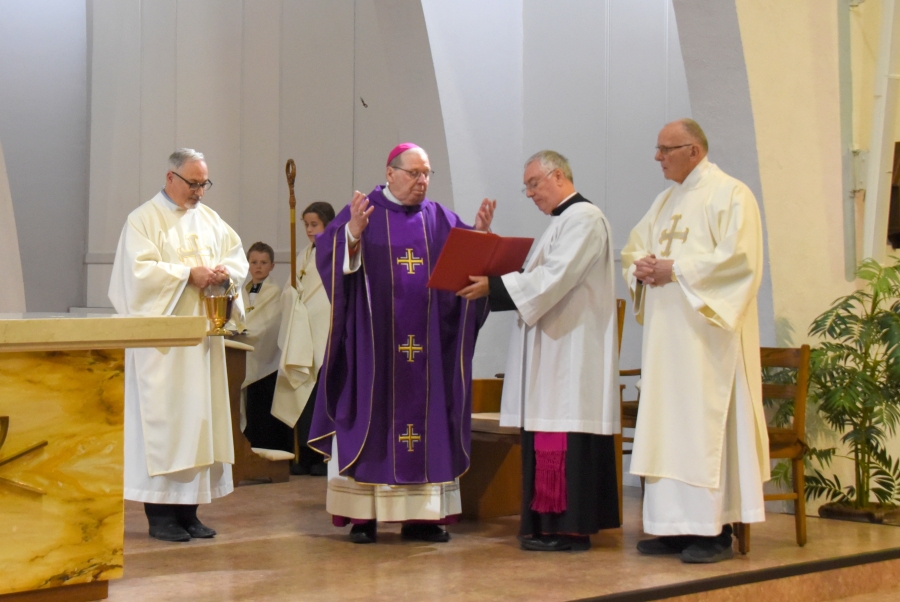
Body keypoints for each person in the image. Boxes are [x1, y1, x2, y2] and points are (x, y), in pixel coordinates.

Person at [308, 143, 495, 544]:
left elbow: (464, 270)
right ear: (390, 173)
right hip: (373, 350)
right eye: (414, 173)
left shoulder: (440, 218)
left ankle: (422, 519)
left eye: (426, 174)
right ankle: (364, 518)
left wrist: (478, 238)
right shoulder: (364, 211)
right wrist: (353, 236)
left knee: (424, 425)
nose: (422, 181)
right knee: (369, 419)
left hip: (426, 351)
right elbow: (330, 255)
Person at [621, 119, 769, 563]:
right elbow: (634, 249)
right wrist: (640, 269)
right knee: (668, 428)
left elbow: (740, 261)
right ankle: (671, 528)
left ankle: (713, 531)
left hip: (708, 343)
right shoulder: (665, 201)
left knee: (701, 428)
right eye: (658, 148)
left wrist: (676, 269)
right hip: (668, 344)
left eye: (666, 149)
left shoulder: (732, 194)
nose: (657, 157)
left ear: (695, 150)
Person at [458, 150, 621, 552]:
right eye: (526, 186)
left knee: (563, 432)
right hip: (552, 348)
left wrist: (494, 287)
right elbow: (535, 277)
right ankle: (547, 524)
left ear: (560, 175)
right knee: (548, 432)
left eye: (534, 183)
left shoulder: (585, 219)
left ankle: (569, 529)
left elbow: (554, 278)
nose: (529, 193)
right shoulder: (559, 224)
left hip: (570, 351)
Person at [109, 148, 248, 542]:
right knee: (167, 426)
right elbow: (135, 277)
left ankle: (189, 512)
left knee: (200, 425)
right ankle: (161, 517)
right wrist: (188, 274)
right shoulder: (143, 220)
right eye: (193, 183)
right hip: (163, 349)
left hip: (202, 346)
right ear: (171, 178)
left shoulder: (211, 221)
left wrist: (224, 275)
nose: (200, 192)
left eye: (204, 183)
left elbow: (236, 260)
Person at [270, 202, 335, 475]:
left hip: (325, 335)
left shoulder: (336, 253)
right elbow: (289, 291)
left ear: (328, 224)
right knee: (302, 395)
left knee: (322, 396)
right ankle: (304, 454)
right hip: (303, 335)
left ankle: (324, 455)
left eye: (314, 225)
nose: (309, 230)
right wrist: (293, 299)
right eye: (306, 225)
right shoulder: (303, 255)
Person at [238, 241, 291, 452]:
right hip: (243, 351)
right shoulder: (242, 290)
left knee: (262, 404)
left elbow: (270, 323)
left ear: (272, 266)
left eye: (263, 262)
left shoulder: (275, 292)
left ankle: (265, 447)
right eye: (254, 262)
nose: (258, 267)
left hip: (264, 357)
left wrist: (248, 332)